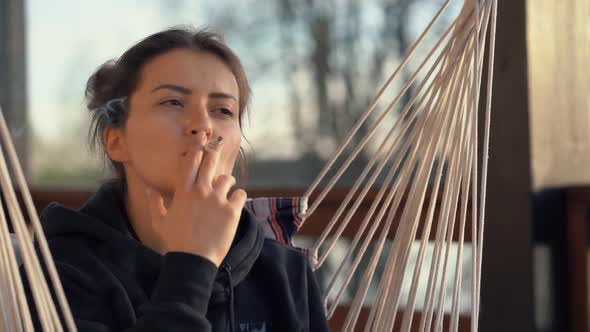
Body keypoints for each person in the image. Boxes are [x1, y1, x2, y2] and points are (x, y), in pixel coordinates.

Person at [23, 26, 329, 332]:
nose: (203, 126)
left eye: (223, 110)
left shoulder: (286, 274)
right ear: (117, 140)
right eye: (173, 102)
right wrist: (193, 263)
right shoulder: (59, 273)